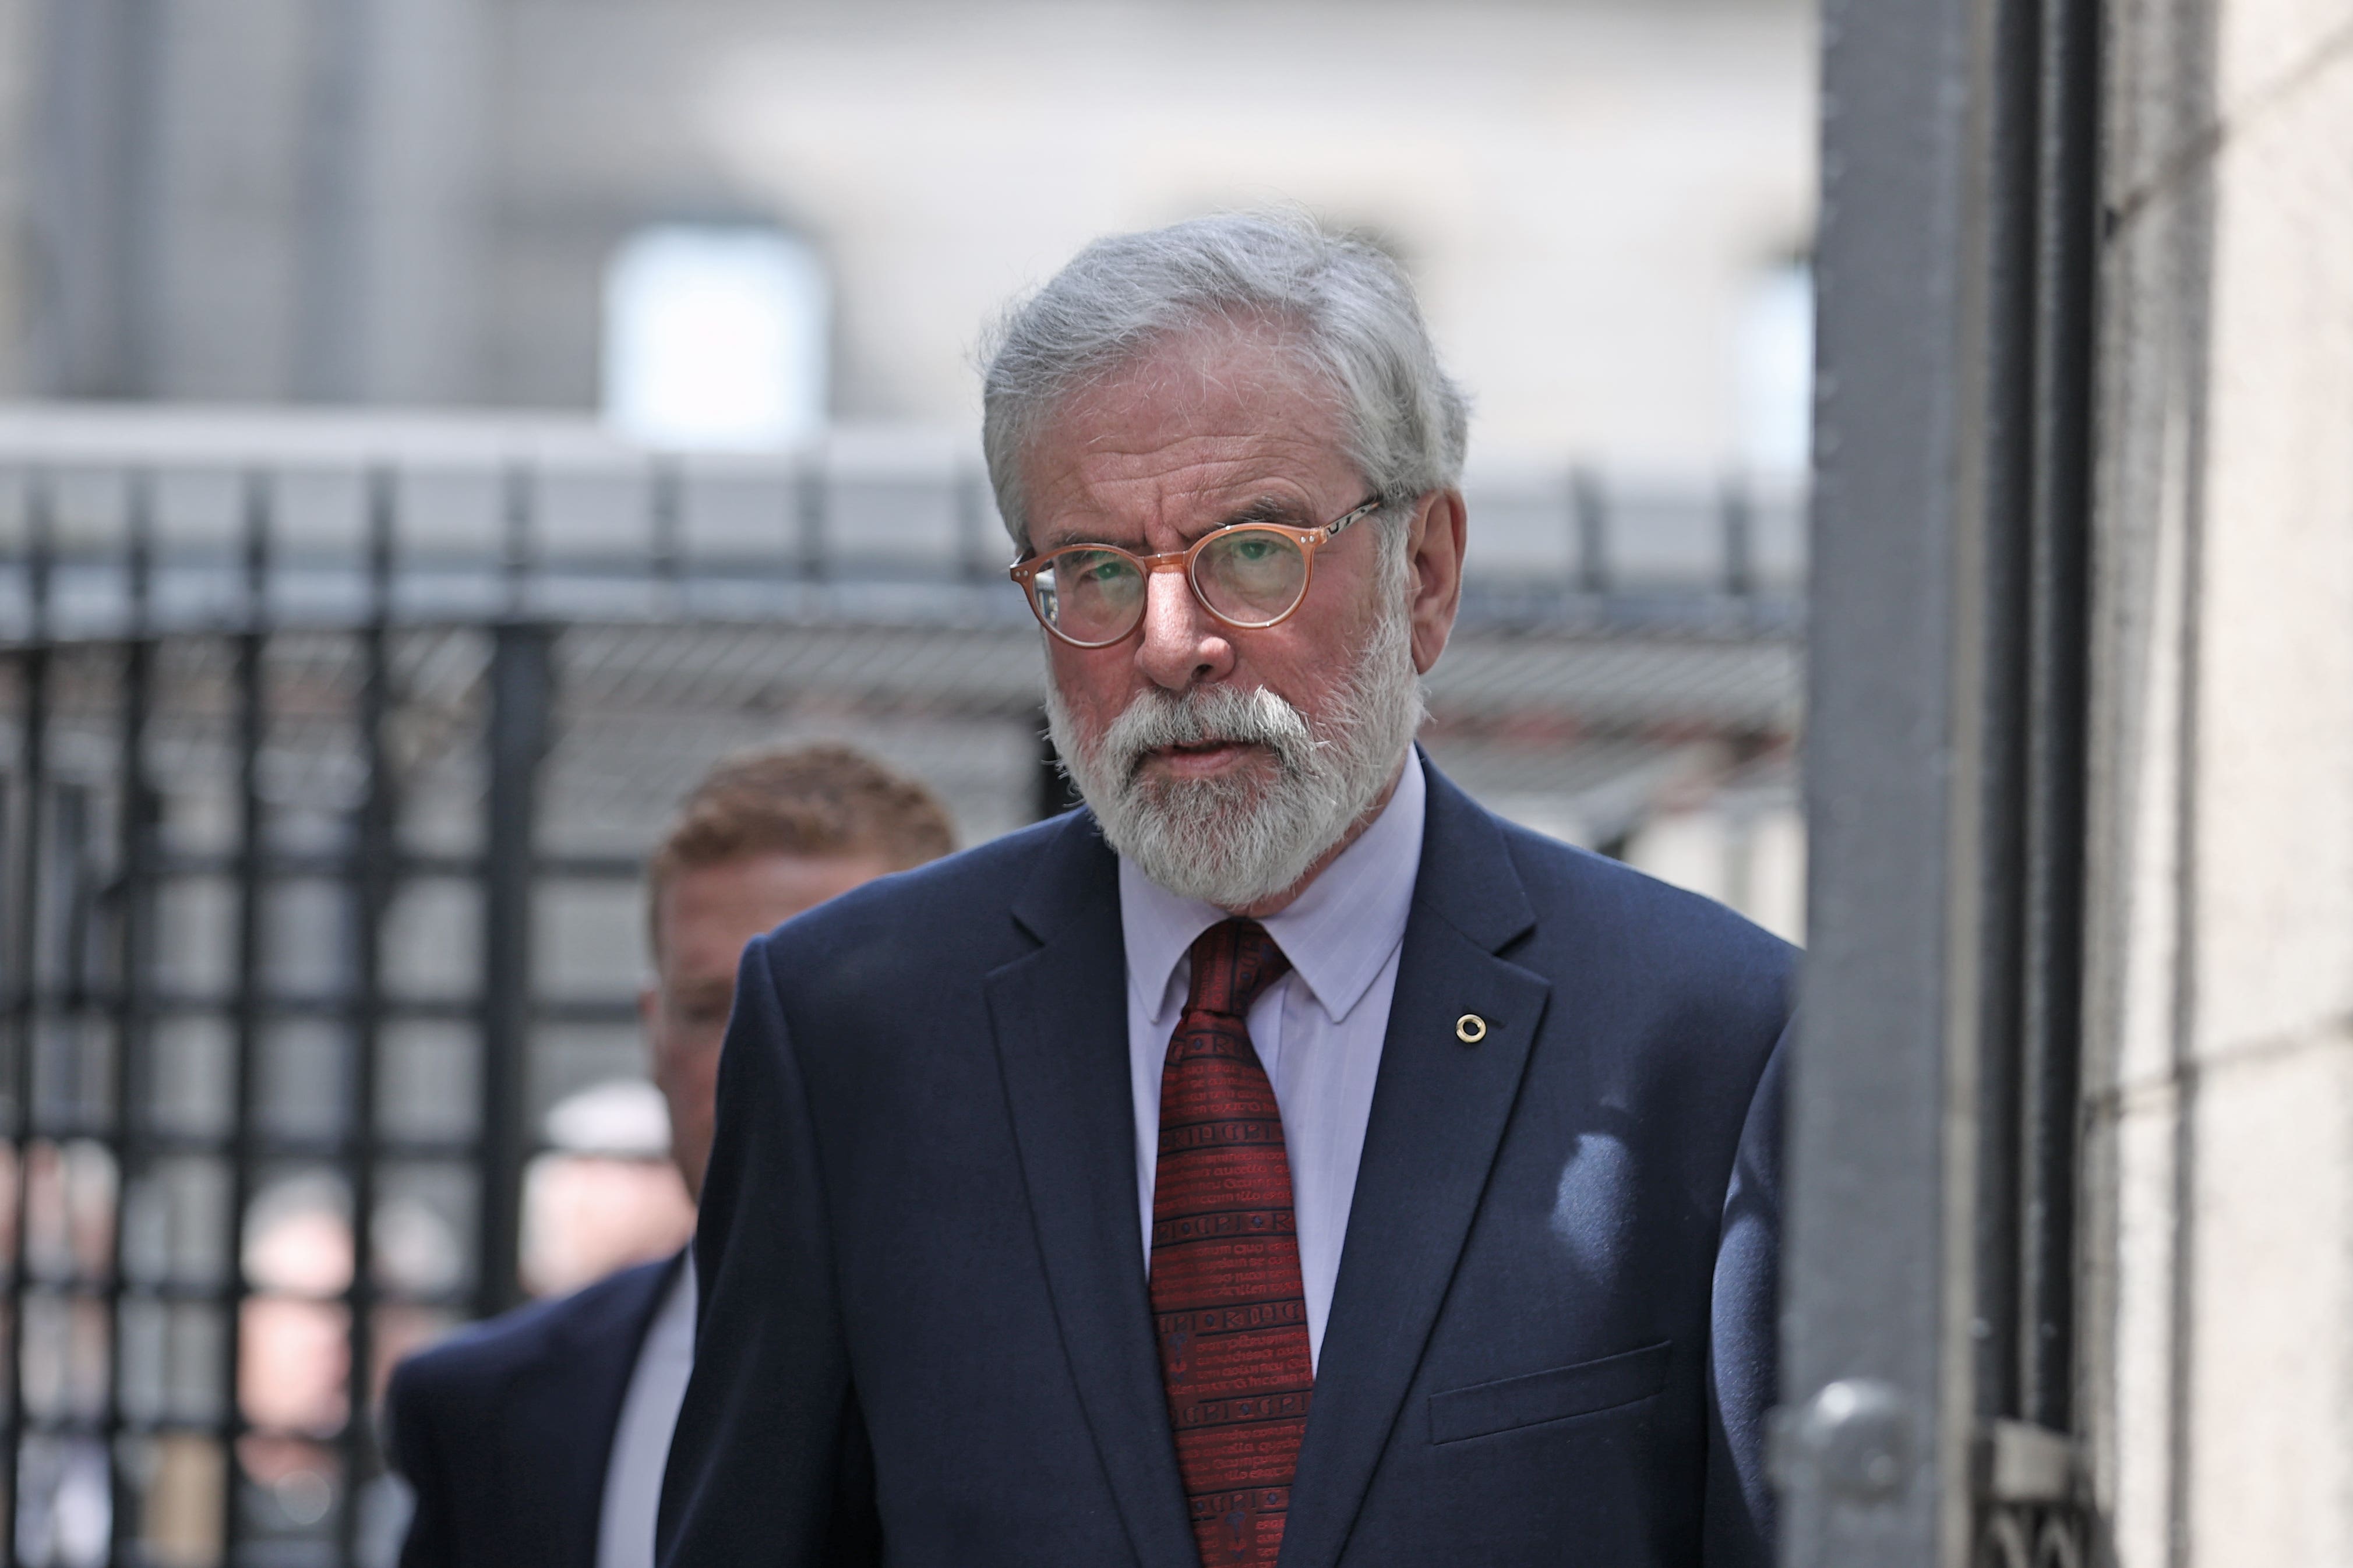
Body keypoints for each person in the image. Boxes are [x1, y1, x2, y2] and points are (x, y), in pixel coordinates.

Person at [658, 214, 1794, 1568]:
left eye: (1250, 551)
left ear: (1422, 573)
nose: (1172, 643)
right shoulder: (857, 1030)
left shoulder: (1709, 1036)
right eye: (1090, 570)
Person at [383, 744, 957, 1568]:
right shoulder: (486, 1412)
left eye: (820, 1003)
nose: (759, 1059)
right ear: (653, 1032)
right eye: (709, 1009)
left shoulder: (1089, 1372)